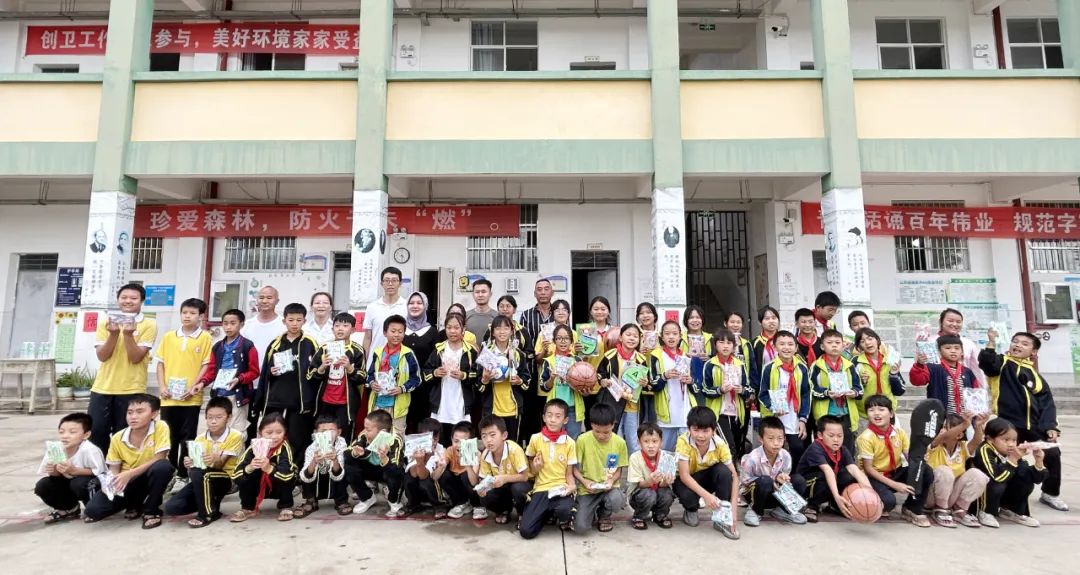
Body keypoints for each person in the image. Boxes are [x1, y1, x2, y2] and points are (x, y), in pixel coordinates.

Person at [979, 329, 1064, 512]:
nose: (1018, 345)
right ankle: (999, 498)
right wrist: (991, 342)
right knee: (1007, 458)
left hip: (1034, 425)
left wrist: (1050, 426)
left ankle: (1050, 493)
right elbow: (986, 363)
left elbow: (1047, 403)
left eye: (1024, 344)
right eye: (1015, 341)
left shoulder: (1035, 375)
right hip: (1009, 424)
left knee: (1052, 452)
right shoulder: (1002, 362)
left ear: (1033, 351)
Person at [84, 394, 174, 529]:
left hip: (148, 476)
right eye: (130, 412)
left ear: (154, 414)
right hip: (126, 482)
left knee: (162, 467)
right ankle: (134, 504)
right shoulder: (118, 437)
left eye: (140, 412)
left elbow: (160, 457)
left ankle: (151, 511)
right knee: (93, 510)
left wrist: (130, 473)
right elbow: (114, 468)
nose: (133, 416)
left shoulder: (160, 427)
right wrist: (111, 485)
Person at [88, 283, 158, 451]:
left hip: (131, 388)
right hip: (103, 387)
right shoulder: (106, 322)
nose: (128, 301)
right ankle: (99, 467)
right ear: (118, 299)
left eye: (134, 298)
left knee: (125, 434)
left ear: (142, 301)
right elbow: (102, 356)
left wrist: (127, 335)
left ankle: (120, 467)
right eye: (124, 297)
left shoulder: (149, 324)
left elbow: (136, 358)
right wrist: (113, 334)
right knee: (96, 432)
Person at [155, 297, 212, 492]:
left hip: (191, 398)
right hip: (168, 398)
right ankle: (169, 473)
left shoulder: (205, 338)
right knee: (168, 437)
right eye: (184, 312)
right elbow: (160, 363)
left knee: (188, 438)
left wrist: (194, 386)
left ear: (201, 316)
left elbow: (206, 365)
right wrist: (162, 386)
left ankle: (182, 474)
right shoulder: (169, 337)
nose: (187, 316)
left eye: (192, 313)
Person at [164, 397, 245, 527]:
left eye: (219, 417)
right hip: (202, 478)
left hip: (226, 479)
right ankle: (212, 505)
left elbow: (221, 464)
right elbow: (195, 469)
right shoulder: (200, 438)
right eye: (209, 417)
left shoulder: (235, 435)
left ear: (228, 418)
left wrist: (214, 459)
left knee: (201, 473)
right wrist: (189, 464)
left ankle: (206, 514)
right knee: (172, 507)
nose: (213, 421)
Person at [252, 303, 320, 458]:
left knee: (298, 438)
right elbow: (265, 373)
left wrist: (313, 402)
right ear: (284, 321)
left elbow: (316, 372)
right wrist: (271, 372)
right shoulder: (275, 344)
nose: (294, 324)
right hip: (276, 399)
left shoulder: (310, 343)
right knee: (271, 437)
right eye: (291, 320)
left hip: (300, 402)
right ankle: (270, 465)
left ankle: (295, 469)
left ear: (304, 321)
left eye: (298, 320)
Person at [857, 394, 932, 527]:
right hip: (873, 476)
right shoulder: (866, 437)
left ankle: (912, 508)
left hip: (895, 472)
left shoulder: (899, 432)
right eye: (871, 410)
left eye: (881, 409)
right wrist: (895, 485)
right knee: (889, 502)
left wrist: (919, 459)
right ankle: (875, 501)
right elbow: (868, 469)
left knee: (925, 470)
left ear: (891, 413)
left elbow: (910, 456)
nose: (876, 413)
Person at [673, 406, 740, 539]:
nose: (700, 435)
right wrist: (707, 497)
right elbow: (684, 476)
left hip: (707, 477)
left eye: (705, 431)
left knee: (724, 472)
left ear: (714, 431)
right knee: (687, 495)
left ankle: (722, 517)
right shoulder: (683, 441)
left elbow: (735, 476)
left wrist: (733, 510)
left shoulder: (720, 444)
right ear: (689, 429)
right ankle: (691, 509)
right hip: (686, 480)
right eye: (696, 430)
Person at [968, 417, 1047, 528]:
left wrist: (1039, 461)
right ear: (990, 439)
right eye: (1005, 440)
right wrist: (1013, 459)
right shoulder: (984, 450)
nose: (1011, 444)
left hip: (1000, 489)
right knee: (997, 485)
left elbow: (1036, 479)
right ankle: (986, 512)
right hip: (980, 497)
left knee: (1025, 479)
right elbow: (997, 477)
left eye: (1014, 440)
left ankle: (1010, 510)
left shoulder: (1010, 451)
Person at [795, 415, 872, 523]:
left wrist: (871, 494)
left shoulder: (843, 450)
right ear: (820, 435)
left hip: (827, 482)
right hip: (807, 486)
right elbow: (827, 470)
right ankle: (811, 505)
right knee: (823, 476)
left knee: (848, 476)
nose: (836, 439)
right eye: (831, 435)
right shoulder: (815, 448)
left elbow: (854, 470)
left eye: (840, 436)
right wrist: (836, 496)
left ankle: (834, 505)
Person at [34, 412, 105, 524]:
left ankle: (93, 508)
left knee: (79, 483)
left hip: (90, 483)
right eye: (61, 432)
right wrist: (54, 470)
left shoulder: (89, 450)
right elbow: (55, 477)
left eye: (72, 432)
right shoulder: (56, 448)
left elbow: (100, 472)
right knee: (43, 485)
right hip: (69, 482)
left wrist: (74, 471)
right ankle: (69, 508)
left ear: (86, 435)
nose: (65, 436)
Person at [520, 399, 577, 539]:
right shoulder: (535, 439)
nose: (552, 420)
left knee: (565, 511)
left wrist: (572, 486)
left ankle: (554, 513)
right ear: (544, 417)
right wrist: (536, 467)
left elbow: (569, 473)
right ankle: (546, 514)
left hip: (560, 489)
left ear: (565, 420)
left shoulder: (569, 443)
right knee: (526, 532)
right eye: (549, 415)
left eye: (558, 416)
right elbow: (530, 469)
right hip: (541, 489)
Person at [198, 309, 260, 434]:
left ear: (241, 324)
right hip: (219, 393)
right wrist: (202, 383)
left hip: (238, 395)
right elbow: (211, 370)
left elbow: (254, 371)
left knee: (237, 430)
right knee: (217, 428)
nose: (228, 327)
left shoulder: (247, 346)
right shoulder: (217, 347)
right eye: (225, 323)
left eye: (233, 323)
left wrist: (239, 379)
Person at [739, 416, 808, 526]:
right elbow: (744, 483)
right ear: (761, 439)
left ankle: (783, 511)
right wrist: (772, 480)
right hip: (755, 496)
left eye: (780, 438)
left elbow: (785, 476)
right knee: (765, 481)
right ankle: (755, 511)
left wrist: (782, 479)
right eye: (771, 439)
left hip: (775, 494)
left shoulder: (785, 456)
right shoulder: (752, 458)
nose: (776, 443)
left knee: (799, 480)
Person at [229, 413, 298, 522]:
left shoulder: (285, 448)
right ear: (260, 432)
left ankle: (286, 505)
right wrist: (250, 467)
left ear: (285, 432)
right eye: (269, 433)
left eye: (279, 432)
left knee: (291, 473)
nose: (274, 437)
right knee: (245, 475)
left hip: (277, 488)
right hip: (257, 487)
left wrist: (269, 468)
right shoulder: (253, 448)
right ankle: (248, 507)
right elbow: (235, 475)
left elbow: (287, 476)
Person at [309, 312, 367, 442]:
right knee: (323, 433)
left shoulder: (357, 350)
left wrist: (349, 368)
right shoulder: (324, 348)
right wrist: (322, 367)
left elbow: (363, 377)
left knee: (344, 434)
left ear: (353, 330)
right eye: (337, 325)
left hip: (346, 403)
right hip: (325, 400)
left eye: (345, 326)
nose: (340, 329)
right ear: (332, 329)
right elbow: (310, 375)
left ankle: (344, 455)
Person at [757, 331, 811, 467]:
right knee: (773, 449)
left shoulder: (802, 368)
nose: (786, 347)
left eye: (790, 344)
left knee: (797, 448)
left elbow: (805, 394)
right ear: (775, 347)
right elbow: (762, 394)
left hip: (793, 416)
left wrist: (803, 419)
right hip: (774, 416)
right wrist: (773, 407)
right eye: (782, 344)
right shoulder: (769, 368)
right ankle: (774, 476)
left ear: (796, 347)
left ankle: (795, 477)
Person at [572, 403, 628, 533]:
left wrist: (611, 481)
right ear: (591, 424)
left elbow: (619, 470)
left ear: (613, 425)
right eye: (597, 431)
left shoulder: (620, 443)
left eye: (606, 432)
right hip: (587, 489)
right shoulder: (582, 440)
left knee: (617, 500)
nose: (601, 436)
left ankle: (604, 515)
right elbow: (574, 469)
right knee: (580, 528)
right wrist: (584, 482)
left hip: (609, 488)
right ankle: (589, 511)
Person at [925, 413, 988, 528]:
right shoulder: (935, 445)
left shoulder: (963, 447)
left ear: (959, 435)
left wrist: (978, 426)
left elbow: (976, 441)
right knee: (944, 471)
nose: (943, 430)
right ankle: (940, 509)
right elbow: (943, 437)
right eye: (942, 427)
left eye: (946, 428)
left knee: (977, 474)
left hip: (950, 496)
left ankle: (959, 510)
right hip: (931, 496)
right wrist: (965, 424)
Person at [698, 329, 751, 461]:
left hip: (737, 412)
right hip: (719, 412)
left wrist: (742, 390)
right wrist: (720, 390)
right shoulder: (710, 364)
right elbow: (704, 389)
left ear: (734, 346)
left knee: (737, 445)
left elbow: (748, 388)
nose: (725, 346)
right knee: (728, 446)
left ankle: (728, 469)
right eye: (721, 342)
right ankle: (732, 472)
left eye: (729, 343)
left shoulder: (740, 365)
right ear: (715, 345)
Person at [424, 313, 477, 445]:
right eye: (449, 327)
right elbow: (426, 372)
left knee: (463, 441)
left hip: (461, 402)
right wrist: (435, 373)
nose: (452, 331)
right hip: (441, 403)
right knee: (440, 440)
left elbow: (478, 375)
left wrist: (464, 375)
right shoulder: (439, 349)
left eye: (456, 327)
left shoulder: (470, 351)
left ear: (463, 329)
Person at [365, 315, 422, 437]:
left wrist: (402, 388)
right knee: (375, 436)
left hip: (398, 407)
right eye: (393, 331)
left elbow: (417, 379)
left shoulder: (408, 354)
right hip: (378, 404)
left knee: (396, 437)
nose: (397, 335)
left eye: (400, 332)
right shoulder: (378, 352)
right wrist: (372, 383)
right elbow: (369, 374)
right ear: (385, 333)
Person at [596, 323, 648, 454]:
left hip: (632, 406)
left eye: (635, 336)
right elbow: (600, 374)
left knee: (633, 441)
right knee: (614, 439)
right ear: (620, 337)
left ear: (639, 340)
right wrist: (603, 381)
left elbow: (647, 382)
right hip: (613, 403)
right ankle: (613, 467)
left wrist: (645, 382)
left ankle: (634, 467)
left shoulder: (641, 359)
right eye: (628, 335)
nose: (632, 338)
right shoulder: (609, 355)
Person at [344, 409, 406, 517]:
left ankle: (393, 500)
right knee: (348, 465)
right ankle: (367, 498)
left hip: (388, 471)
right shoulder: (364, 435)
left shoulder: (395, 440)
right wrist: (356, 453)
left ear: (382, 431)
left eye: (368, 429)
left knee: (397, 473)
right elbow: (346, 454)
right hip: (372, 470)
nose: (365, 431)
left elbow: (396, 469)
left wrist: (385, 459)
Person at [808, 329, 862, 453]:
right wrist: (826, 393)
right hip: (826, 414)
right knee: (825, 448)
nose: (834, 345)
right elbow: (811, 388)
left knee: (847, 448)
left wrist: (853, 392)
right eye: (829, 342)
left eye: (837, 342)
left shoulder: (849, 365)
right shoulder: (816, 366)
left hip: (846, 414)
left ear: (843, 345)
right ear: (822, 346)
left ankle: (846, 466)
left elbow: (859, 388)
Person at [479, 315, 532, 441]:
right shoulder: (487, 353)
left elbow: (527, 380)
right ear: (492, 332)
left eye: (506, 328)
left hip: (513, 408)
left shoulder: (518, 354)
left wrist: (519, 381)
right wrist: (485, 380)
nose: (502, 332)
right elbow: (478, 385)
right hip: (492, 408)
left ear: (512, 331)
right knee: (493, 443)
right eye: (498, 328)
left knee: (512, 444)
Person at [476, 415, 531, 525]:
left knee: (518, 489)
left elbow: (525, 476)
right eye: (484, 436)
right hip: (502, 487)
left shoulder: (514, 449)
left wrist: (504, 478)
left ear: (504, 435)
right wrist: (483, 488)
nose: (488, 440)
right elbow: (484, 479)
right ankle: (503, 511)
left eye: (492, 435)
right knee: (485, 496)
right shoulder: (485, 454)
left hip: (521, 483)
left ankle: (523, 512)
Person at [240, 286, 284, 426]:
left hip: (274, 384)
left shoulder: (283, 325)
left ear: (277, 301)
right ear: (256, 300)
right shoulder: (247, 325)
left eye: (269, 298)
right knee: (249, 424)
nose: (265, 301)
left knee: (271, 424)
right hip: (250, 383)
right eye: (261, 297)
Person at [294, 414, 351, 518]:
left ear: (339, 432)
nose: (327, 434)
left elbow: (339, 474)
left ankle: (341, 500)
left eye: (331, 431)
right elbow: (305, 476)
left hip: (335, 478)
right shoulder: (311, 448)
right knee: (307, 470)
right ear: (316, 433)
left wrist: (334, 460)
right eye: (323, 431)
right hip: (318, 478)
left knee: (346, 468)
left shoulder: (342, 446)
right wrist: (314, 462)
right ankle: (311, 500)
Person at [520, 279, 556, 440]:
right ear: (535, 293)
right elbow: (522, 341)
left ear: (552, 292)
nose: (543, 292)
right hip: (533, 367)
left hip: (554, 368)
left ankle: (552, 438)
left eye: (546, 289)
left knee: (552, 407)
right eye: (539, 289)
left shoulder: (559, 313)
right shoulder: (526, 315)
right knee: (532, 408)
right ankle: (533, 442)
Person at [539, 324, 590, 439]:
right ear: (554, 341)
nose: (563, 341)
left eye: (566, 338)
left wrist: (585, 391)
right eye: (559, 338)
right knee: (554, 440)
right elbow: (544, 387)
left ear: (571, 341)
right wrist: (551, 379)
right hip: (554, 409)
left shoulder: (577, 360)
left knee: (572, 440)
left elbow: (584, 388)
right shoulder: (549, 361)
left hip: (573, 408)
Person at [649, 320, 692, 451]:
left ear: (680, 336)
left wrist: (690, 380)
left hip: (685, 410)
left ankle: (682, 466)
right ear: (661, 336)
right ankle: (665, 467)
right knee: (665, 450)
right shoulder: (656, 355)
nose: (671, 337)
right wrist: (664, 376)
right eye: (667, 334)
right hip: (666, 411)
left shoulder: (686, 356)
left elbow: (696, 384)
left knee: (685, 450)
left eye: (674, 333)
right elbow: (652, 384)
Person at [910, 334, 977, 416]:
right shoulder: (933, 368)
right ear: (939, 351)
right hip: (940, 417)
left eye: (957, 348)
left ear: (962, 352)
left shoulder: (967, 372)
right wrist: (919, 365)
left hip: (964, 417)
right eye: (948, 348)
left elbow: (975, 393)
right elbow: (917, 381)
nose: (953, 351)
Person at [625, 423, 674, 530]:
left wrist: (666, 482)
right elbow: (639, 484)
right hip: (640, 494)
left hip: (658, 491)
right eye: (646, 441)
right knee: (648, 494)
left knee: (667, 494)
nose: (651, 446)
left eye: (655, 441)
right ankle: (639, 516)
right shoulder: (635, 457)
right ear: (639, 442)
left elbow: (662, 485)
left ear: (661, 442)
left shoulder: (666, 457)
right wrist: (650, 481)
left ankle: (660, 515)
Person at [403, 291, 438, 432]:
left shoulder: (432, 332)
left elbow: (435, 360)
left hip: (424, 386)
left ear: (425, 306)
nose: (415, 306)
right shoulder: (400, 329)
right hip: (402, 383)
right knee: (403, 420)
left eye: (419, 303)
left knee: (421, 420)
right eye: (411, 303)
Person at [851, 327, 903, 420]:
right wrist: (861, 383)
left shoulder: (890, 360)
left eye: (870, 339)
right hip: (864, 414)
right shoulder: (855, 362)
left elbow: (899, 391)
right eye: (862, 341)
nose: (867, 343)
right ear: (859, 346)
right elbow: (851, 389)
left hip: (887, 412)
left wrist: (893, 375)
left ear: (877, 340)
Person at [402, 418, 448, 517]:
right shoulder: (413, 449)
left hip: (434, 488)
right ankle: (413, 504)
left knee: (426, 481)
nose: (432, 442)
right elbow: (414, 474)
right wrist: (420, 460)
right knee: (408, 478)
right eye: (428, 439)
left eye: (435, 439)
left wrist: (426, 459)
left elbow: (426, 476)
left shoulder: (441, 450)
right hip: (418, 487)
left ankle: (439, 505)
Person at [363, 267, 408, 364]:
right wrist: (364, 362)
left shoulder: (406, 306)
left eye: (394, 280)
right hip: (375, 361)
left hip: (400, 361)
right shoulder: (372, 307)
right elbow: (367, 337)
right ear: (381, 284)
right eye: (387, 280)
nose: (390, 284)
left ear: (400, 283)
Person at [440, 421, 484, 520]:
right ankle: (462, 503)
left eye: (464, 442)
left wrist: (467, 464)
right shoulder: (450, 450)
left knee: (465, 476)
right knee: (444, 475)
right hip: (459, 486)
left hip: (473, 487)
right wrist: (440, 466)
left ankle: (478, 506)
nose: (459, 445)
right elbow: (436, 476)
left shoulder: (477, 454)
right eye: (456, 441)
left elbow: (474, 482)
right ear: (451, 439)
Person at [939, 308, 986, 388]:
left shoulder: (968, 344)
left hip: (964, 387)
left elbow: (977, 369)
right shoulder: (931, 342)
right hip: (938, 386)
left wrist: (981, 390)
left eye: (958, 322)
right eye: (950, 321)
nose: (954, 324)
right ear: (941, 322)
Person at [752, 306, 780, 387]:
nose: (771, 321)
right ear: (760, 322)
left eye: (774, 318)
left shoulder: (786, 340)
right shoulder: (755, 343)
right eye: (767, 318)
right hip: (763, 385)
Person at [465, 279, 499, 345]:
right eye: (477, 292)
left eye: (483, 292)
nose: (480, 295)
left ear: (490, 294)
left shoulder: (497, 317)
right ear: (473, 294)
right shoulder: (465, 316)